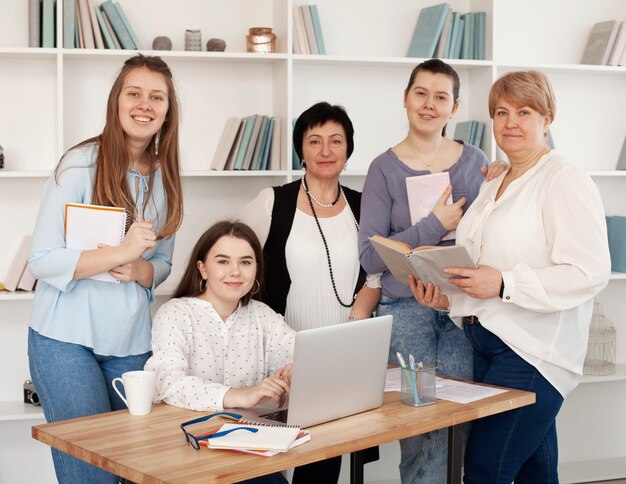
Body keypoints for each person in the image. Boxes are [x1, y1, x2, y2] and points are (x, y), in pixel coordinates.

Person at [409, 70, 611, 483]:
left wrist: (505, 283)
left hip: (532, 353)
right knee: (535, 470)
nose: (511, 122)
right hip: (487, 342)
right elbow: (483, 264)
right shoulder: (497, 179)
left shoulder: (564, 179)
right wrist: (448, 297)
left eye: (524, 111)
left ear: (547, 119)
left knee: (485, 470)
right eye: (501, 112)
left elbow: (589, 272)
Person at [27, 54, 183, 484]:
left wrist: (140, 270)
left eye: (157, 97)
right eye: (134, 93)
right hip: (64, 341)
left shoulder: (166, 178)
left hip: (131, 344)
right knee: (90, 477)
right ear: (117, 101)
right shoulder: (79, 165)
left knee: (143, 471)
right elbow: (41, 260)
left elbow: (164, 264)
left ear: (168, 111)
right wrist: (121, 252)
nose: (144, 104)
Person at [358, 58, 503, 483]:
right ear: (406, 98)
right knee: (418, 428)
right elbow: (369, 256)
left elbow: (490, 240)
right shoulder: (383, 169)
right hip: (405, 314)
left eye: (441, 97)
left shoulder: (474, 160)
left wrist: (501, 187)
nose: (429, 104)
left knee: (459, 423)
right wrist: (436, 225)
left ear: (454, 107)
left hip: (461, 312)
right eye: (420, 93)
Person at [240, 101, 380, 483]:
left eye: (336, 141)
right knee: (260, 458)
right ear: (300, 150)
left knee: (322, 458)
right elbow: (234, 262)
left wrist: (354, 324)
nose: (325, 150)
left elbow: (375, 278)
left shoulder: (363, 206)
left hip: (338, 354)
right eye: (314, 140)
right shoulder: (273, 201)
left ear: (348, 150)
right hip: (278, 353)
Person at [145, 221, 293, 484]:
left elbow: (298, 352)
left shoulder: (263, 316)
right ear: (202, 268)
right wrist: (238, 396)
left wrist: (295, 369)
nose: (235, 272)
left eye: (246, 262)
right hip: (187, 452)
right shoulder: (176, 313)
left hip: (248, 449)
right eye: (223, 261)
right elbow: (168, 381)